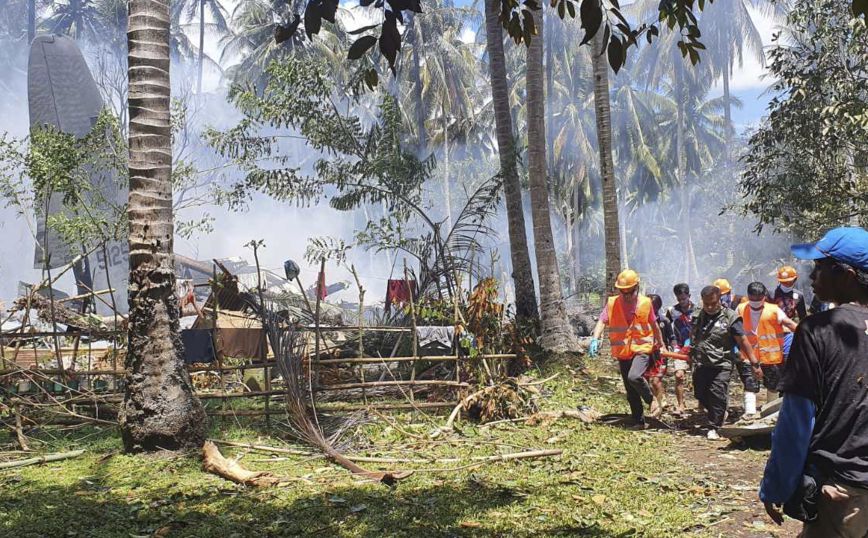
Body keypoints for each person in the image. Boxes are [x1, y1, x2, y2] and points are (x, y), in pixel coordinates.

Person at [760, 226, 868, 536]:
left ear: (847, 276)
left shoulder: (817, 330)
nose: (811, 277)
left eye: (820, 268)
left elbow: (796, 421)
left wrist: (776, 486)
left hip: (843, 490)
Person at [589, 269, 666, 428]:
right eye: (623, 292)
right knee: (630, 390)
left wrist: (661, 344)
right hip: (623, 352)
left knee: (634, 377)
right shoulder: (612, 303)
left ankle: (652, 401)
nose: (626, 296)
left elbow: (654, 325)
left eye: (629, 292)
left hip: (642, 348)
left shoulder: (645, 303)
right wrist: (595, 339)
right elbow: (602, 321)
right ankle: (639, 421)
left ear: (636, 288)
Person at [686, 285, 762, 440]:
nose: (709, 307)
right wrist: (690, 353)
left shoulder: (730, 317)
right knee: (700, 393)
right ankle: (719, 412)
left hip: (722, 364)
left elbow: (743, 340)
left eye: (713, 303)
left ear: (719, 299)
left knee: (717, 393)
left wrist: (754, 363)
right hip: (701, 363)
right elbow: (693, 336)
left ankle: (715, 425)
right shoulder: (697, 316)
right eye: (706, 304)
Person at [737, 282, 798, 403]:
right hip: (748, 356)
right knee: (750, 384)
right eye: (752, 298)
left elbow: (790, 324)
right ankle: (749, 413)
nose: (755, 301)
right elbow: (733, 330)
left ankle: (770, 411)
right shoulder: (740, 308)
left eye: (758, 298)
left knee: (773, 386)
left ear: (764, 296)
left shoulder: (774, 310)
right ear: (748, 295)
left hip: (771, 357)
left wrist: (808, 334)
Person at [716, 277, 762, 417]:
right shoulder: (714, 305)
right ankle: (722, 409)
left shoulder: (741, 301)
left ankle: (750, 410)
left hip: (741, 344)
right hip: (726, 345)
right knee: (722, 379)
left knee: (748, 376)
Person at [665, 283, 694, 415]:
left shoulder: (698, 310)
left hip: (695, 348)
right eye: (679, 299)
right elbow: (665, 326)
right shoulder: (672, 311)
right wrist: (671, 345)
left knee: (699, 377)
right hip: (679, 348)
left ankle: (701, 404)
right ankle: (681, 405)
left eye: (684, 298)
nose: (682, 302)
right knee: (679, 375)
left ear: (689, 295)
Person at [645, 294, 675, 416]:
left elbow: (671, 337)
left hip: (660, 355)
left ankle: (659, 406)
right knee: (645, 380)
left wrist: (675, 348)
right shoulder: (641, 319)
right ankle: (653, 402)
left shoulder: (664, 321)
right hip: (645, 353)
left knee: (656, 380)